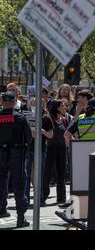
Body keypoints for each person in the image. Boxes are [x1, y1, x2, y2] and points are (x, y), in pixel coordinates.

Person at [0, 92, 32, 227]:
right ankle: (20, 218)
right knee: (19, 186)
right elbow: (29, 138)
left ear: (2, 101)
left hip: (1, 153)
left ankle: (2, 210)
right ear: (14, 102)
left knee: (1, 184)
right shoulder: (20, 117)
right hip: (17, 154)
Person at [25, 104, 54, 207]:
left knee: (40, 174)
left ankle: (40, 198)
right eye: (32, 104)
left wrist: (41, 131)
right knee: (26, 175)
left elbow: (50, 135)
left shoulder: (46, 118)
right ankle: (26, 199)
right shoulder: (26, 117)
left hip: (40, 149)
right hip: (28, 149)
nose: (34, 106)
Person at [43, 100, 69, 205]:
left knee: (61, 173)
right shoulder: (48, 118)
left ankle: (61, 198)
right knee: (48, 173)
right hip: (50, 148)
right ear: (57, 108)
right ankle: (43, 196)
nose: (65, 107)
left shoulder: (64, 119)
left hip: (62, 148)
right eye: (63, 106)